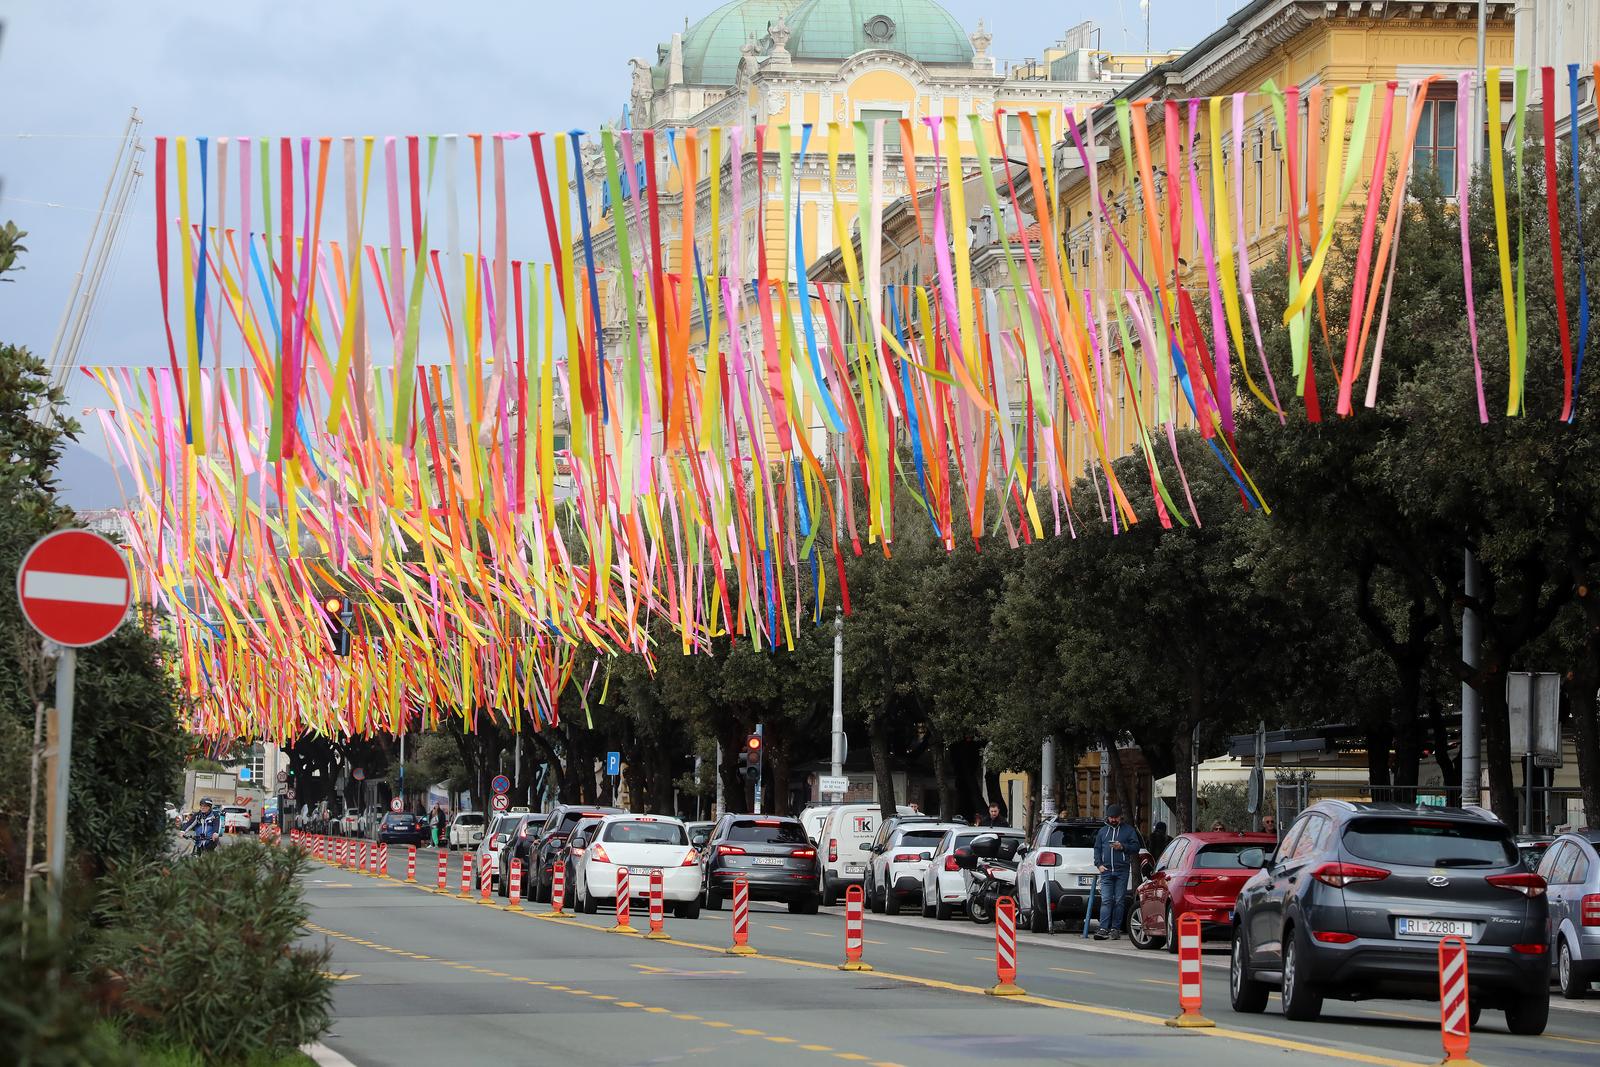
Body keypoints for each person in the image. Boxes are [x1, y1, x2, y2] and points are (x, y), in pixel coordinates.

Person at [1092, 804, 1141, 940]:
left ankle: (1115, 929)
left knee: (1119, 901)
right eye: (1111, 817)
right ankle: (1103, 928)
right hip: (1106, 871)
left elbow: (1136, 847)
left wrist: (1123, 846)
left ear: (1121, 817)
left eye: (1115, 817)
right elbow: (1097, 849)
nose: (1113, 820)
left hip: (1122, 871)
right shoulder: (1102, 832)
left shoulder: (1128, 830)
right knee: (1106, 900)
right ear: (1108, 817)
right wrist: (1099, 864)